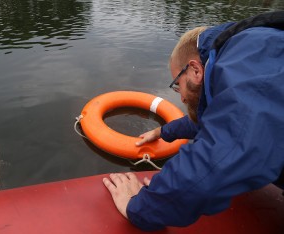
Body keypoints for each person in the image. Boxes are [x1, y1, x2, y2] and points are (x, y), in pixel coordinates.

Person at [103, 11, 284, 231]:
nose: (180, 97)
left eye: (177, 85)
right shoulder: (253, 55)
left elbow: (225, 153)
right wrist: (165, 132)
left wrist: (140, 205)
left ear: (195, 69)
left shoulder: (256, 57)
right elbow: (231, 115)